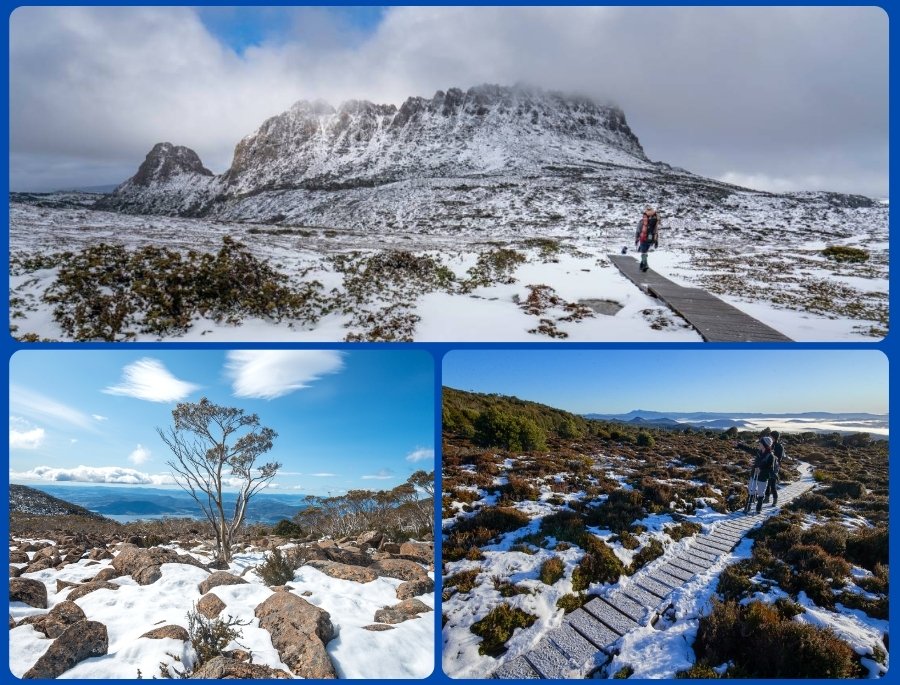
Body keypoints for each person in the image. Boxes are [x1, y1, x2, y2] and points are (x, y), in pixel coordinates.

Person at [735, 436, 776, 514]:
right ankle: (747, 507)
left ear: (765, 444)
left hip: (763, 477)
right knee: (751, 490)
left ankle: (758, 508)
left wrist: (761, 469)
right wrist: (739, 445)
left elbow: (771, 469)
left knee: (761, 492)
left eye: (761, 443)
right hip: (754, 474)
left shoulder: (771, 456)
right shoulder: (758, 452)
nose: (759, 444)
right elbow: (749, 449)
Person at [763, 431, 786, 504]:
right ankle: (766, 498)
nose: (769, 437)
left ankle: (775, 499)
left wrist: (772, 456)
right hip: (767, 467)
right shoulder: (769, 445)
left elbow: (779, 458)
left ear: (774, 437)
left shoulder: (779, 446)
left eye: (771, 436)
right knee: (767, 484)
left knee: (772, 484)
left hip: (775, 468)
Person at [634, 207, 659, 272]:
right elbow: (655, 231)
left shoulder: (642, 222)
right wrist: (656, 240)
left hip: (642, 238)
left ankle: (645, 265)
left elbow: (638, 231)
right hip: (651, 239)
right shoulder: (654, 222)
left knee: (643, 252)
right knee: (645, 252)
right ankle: (642, 265)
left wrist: (636, 239)